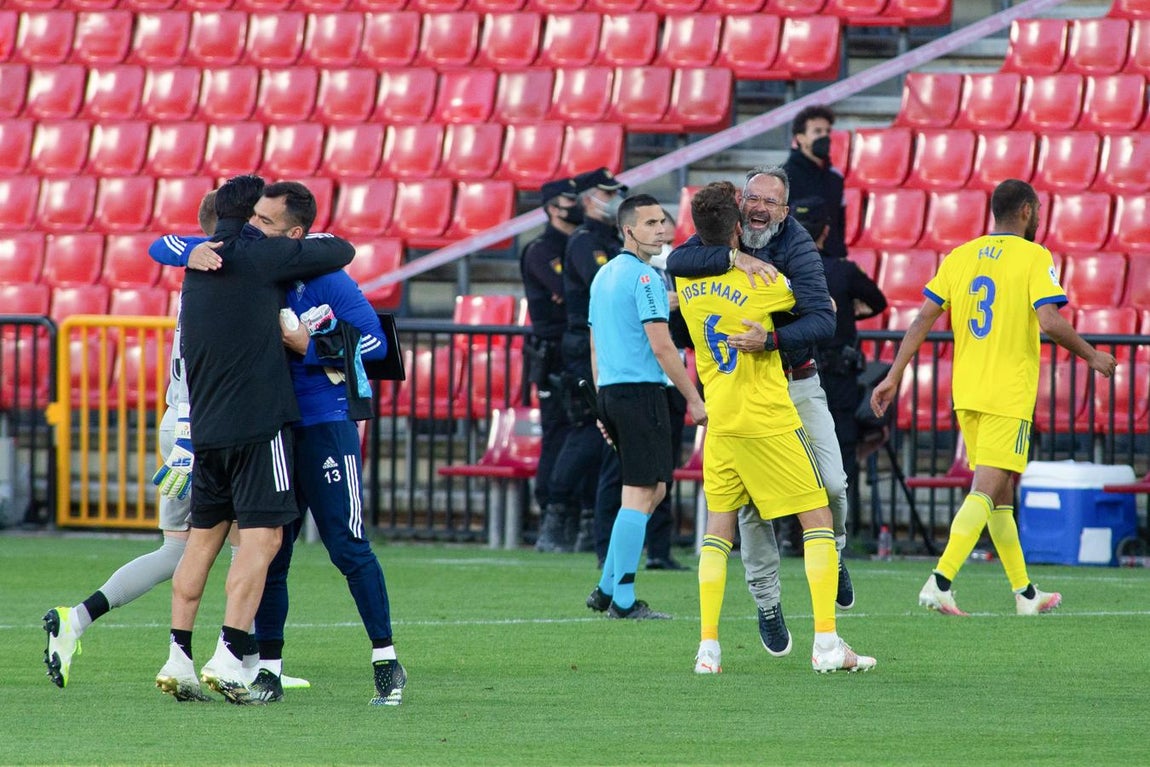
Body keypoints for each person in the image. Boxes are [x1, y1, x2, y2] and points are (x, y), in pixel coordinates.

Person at [154, 182, 406, 706]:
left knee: (348, 545)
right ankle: (268, 667)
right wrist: (184, 252)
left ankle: (385, 659)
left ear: (294, 234)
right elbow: (165, 243)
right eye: (253, 218)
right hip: (271, 429)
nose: (254, 227)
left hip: (325, 423)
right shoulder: (250, 266)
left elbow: (377, 344)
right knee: (271, 549)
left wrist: (310, 345)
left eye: (266, 222)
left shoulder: (326, 278)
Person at [871, 179, 1117, 616]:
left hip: (968, 391)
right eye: (1037, 210)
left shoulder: (960, 256)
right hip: (1008, 393)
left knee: (1000, 495)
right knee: (986, 490)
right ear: (1026, 211)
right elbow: (1049, 320)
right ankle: (940, 580)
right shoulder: (1033, 256)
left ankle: (1025, 595)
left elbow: (922, 318)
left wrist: (893, 375)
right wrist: (1092, 355)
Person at [678, 181, 875, 674]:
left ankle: (708, 650)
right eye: (751, 200)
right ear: (737, 220)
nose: (761, 208)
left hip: (723, 420)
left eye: (771, 200)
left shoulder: (687, 280)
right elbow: (821, 310)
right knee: (814, 519)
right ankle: (824, 641)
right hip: (767, 417)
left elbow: (681, 269)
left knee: (718, 530)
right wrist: (742, 269)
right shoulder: (764, 281)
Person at [41, 192, 225, 694]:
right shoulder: (222, 274)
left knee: (175, 551)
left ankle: (76, 618)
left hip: (178, 420)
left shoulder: (196, 271)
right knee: (252, 543)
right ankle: (243, 662)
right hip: (200, 427)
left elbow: (162, 245)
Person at [583, 194, 708, 620]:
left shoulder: (603, 276)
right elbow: (662, 346)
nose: (661, 230)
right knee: (641, 494)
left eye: (662, 222)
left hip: (614, 391)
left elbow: (595, 345)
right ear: (628, 229)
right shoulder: (646, 278)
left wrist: (602, 402)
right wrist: (694, 398)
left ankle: (606, 588)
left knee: (652, 490)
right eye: (651, 223)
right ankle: (622, 600)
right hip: (641, 394)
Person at [544, 168, 627, 553]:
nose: (612, 200)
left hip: (606, 341)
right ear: (589, 199)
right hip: (585, 343)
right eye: (606, 194)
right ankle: (556, 514)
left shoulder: (610, 238)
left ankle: (589, 520)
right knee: (586, 430)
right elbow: (606, 286)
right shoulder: (584, 241)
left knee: (603, 433)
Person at [792, 198, 887, 532]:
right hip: (838, 376)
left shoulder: (782, 270)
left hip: (796, 374)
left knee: (796, 449)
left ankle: (794, 531)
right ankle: (838, 529)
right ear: (826, 231)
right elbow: (878, 301)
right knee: (840, 448)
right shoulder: (843, 271)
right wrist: (848, 312)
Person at [520, 176, 583, 552]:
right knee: (558, 433)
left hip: (577, 349)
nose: (575, 207)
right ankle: (551, 516)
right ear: (550, 208)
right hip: (554, 353)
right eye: (568, 201)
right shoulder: (541, 250)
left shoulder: (580, 244)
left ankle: (578, 514)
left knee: (581, 432)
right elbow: (569, 293)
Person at [782, 105, 847, 260]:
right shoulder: (783, 177)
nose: (825, 137)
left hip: (831, 260)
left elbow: (839, 223)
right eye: (817, 131)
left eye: (827, 131)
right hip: (795, 262)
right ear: (800, 138)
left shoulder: (835, 178)